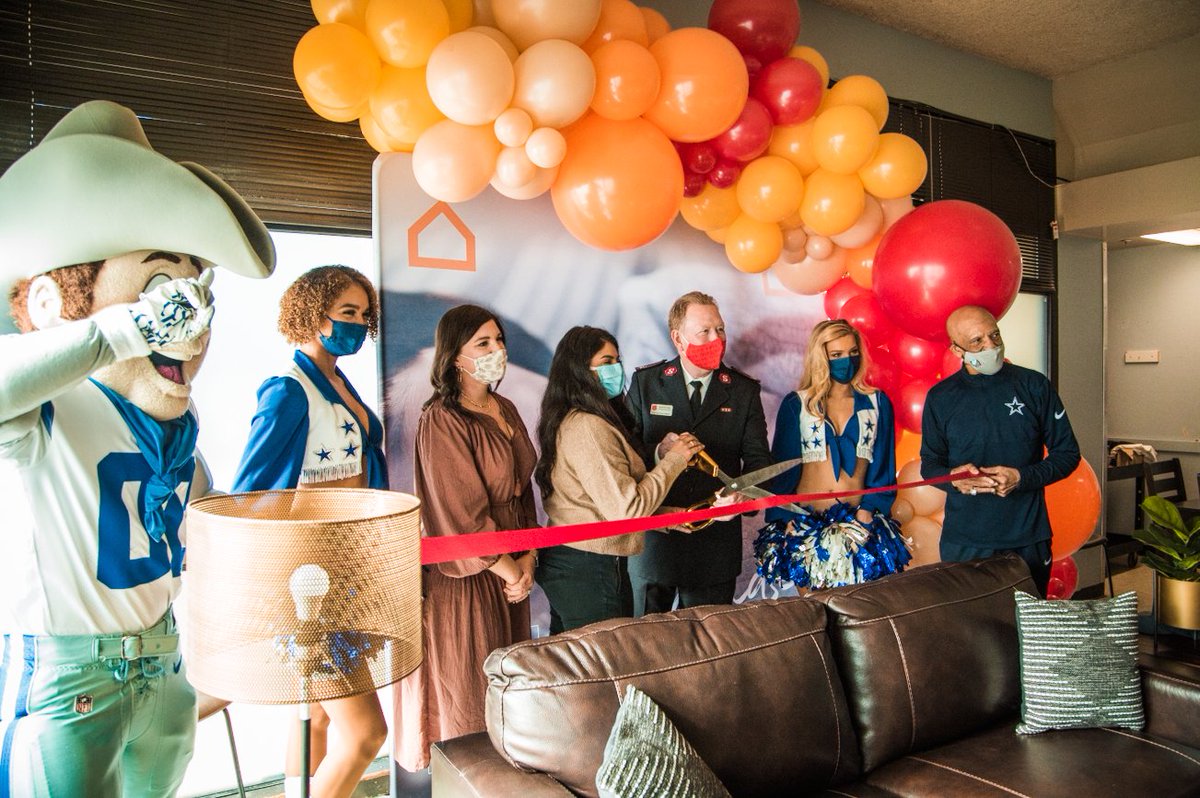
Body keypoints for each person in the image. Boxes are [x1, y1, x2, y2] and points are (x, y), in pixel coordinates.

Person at [0, 100, 275, 797]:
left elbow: (205, 516)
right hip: (69, 682)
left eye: (195, 295)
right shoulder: (46, 408)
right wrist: (120, 333)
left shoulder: (170, 426)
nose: (191, 323)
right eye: (163, 292)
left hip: (164, 660)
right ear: (50, 304)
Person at [231, 265, 387, 798]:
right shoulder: (287, 390)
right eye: (347, 312)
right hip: (310, 582)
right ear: (310, 313)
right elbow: (250, 493)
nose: (358, 324)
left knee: (314, 718)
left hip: (350, 569)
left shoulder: (340, 383)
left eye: (364, 315)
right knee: (368, 734)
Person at [394, 304, 538, 771]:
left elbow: (522, 491)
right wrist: (509, 568)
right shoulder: (441, 419)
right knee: (472, 704)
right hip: (468, 581)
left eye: (499, 340)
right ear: (455, 356)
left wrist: (530, 556)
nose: (498, 350)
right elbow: (458, 514)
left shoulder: (506, 407)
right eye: (484, 343)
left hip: (513, 572)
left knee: (508, 700)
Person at [534, 326, 706, 633]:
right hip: (590, 566)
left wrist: (663, 516)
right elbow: (627, 509)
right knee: (605, 667)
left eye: (617, 360)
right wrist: (675, 460)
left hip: (580, 562)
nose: (616, 369)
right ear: (578, 369)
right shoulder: (588, 426)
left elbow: (603, 501)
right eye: (605, 362)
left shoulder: (579, 419)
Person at [625, 291, 772, 615]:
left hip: (714, 548)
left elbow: (760, 462)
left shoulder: (743, 391)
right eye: (703, 331)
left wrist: (740, 497)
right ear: (678, 339)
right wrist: (659, 452)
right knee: (648, 651)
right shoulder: (646, 383)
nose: (715, 339)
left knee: (710, 653)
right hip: (655, 545)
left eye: (719, 329)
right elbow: (625, 457)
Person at [920, 305, 1080, 597]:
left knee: (1028, 630)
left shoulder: (1034, 385)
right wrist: (952, 477)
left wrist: (1022, 477)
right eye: (976, 342)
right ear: (957, 350)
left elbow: (1067, 454)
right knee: (971, 630)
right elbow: (930, 465)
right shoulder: (940, 398)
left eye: (994, 335)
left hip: (1028, 537)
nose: (990, 345)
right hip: (965, 542)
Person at [753, 320, 910, 589]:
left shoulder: (877, 402)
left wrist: (868, 512)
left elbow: (883, 468)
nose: (846, 361)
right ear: (820, 357)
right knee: (814, 611)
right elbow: (782, 468)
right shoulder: (797, 404)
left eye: (852, 353)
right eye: (836, 355)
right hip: (806, 524)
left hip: (859, 522)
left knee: (859, 610)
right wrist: (786, 517)